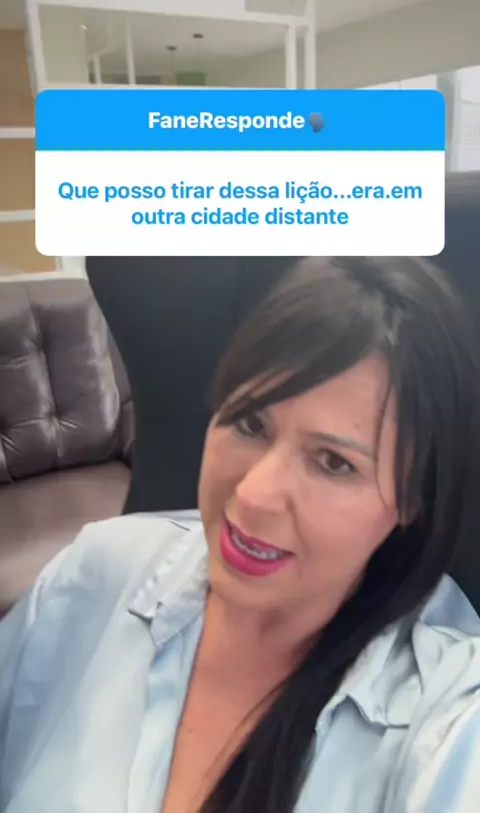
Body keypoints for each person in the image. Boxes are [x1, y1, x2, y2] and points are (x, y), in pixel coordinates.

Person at [1, 256, 480, 813]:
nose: (253, 494)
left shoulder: (448, 720)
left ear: (412, 498)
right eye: (250, 423)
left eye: (333, 462)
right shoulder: (92, 576)